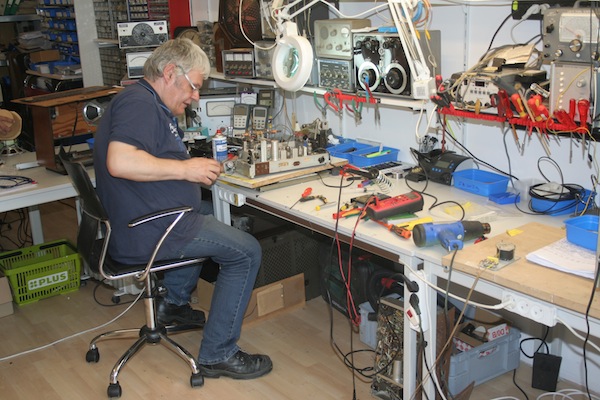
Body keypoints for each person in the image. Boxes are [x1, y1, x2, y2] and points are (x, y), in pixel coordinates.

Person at [93, 38, 272, 380]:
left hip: (143, 219)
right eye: (193, 86)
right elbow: (120, 161)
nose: (195, 97)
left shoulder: (145, 101)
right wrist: (186, 169)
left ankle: (173, 305)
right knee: (246, 251)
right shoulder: (139, 105)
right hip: (151, 228)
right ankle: (218, 353)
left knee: (208, 211)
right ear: (170, 72)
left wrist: (189, 168)